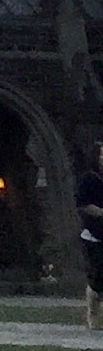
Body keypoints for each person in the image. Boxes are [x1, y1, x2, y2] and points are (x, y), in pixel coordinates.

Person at [78, 141, 103, 330]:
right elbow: (83, 204)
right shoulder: (89, 179)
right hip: (95, 235)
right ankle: (92, 314)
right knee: (97, 278)